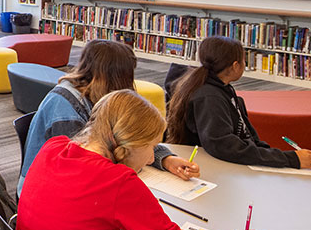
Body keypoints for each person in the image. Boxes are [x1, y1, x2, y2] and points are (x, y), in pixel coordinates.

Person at [17, 89, 266, 230]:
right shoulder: (119, 183)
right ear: (126, 148)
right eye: (149, 147)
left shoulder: (54, 146)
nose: (150, 158)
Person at [17, 39, 197, 197]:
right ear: (118, 76)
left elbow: (134, 134)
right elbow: (82, 172)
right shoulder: (65, 110)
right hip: (47, 194)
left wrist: (165, 159)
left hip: (72, 185)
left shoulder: (102, 97)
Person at [166, 36, 311, 169]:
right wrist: (289, 159)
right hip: (212, 166)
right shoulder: (210, 98)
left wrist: (276, 157)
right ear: (235, 66)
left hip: (225, 161)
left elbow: (248, 138)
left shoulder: (224, 90)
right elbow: (225, 147)